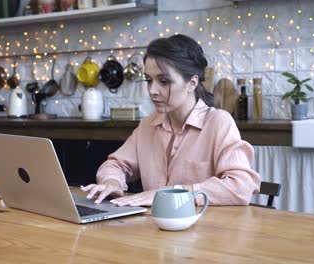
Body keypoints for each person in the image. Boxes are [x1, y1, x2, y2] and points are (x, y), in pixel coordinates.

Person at [81, 34, 261, 206]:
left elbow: (241, 186)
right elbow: (115, 164)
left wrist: (172, 193)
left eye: (164, 81)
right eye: (149, 80)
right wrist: (112, 182)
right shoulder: (147, 125)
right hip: (155, 230)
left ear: (192, 83)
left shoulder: (218, 123)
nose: (152, 90)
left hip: (206, 232)